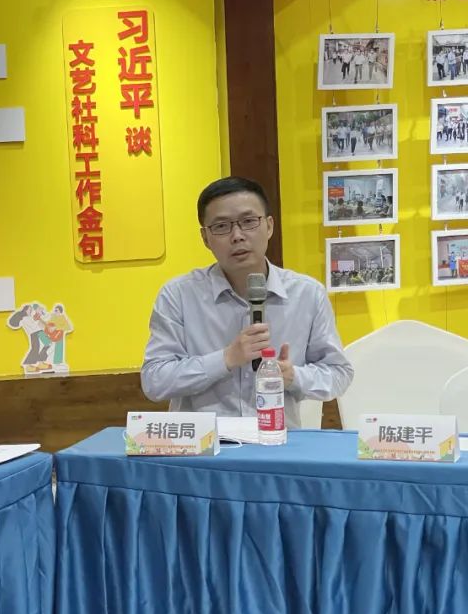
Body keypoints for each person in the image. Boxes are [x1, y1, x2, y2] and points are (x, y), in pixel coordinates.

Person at [141, 177, 354, 428]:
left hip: (276, 441)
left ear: (269, 226)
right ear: (205, 238)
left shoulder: (308, 295)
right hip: (206, 444)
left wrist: (293, 376)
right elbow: (154, 381)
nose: (237, 236)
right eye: (221, 226)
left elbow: (339, 373)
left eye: (249, 221)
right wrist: (226, 359)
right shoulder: (178, 296)